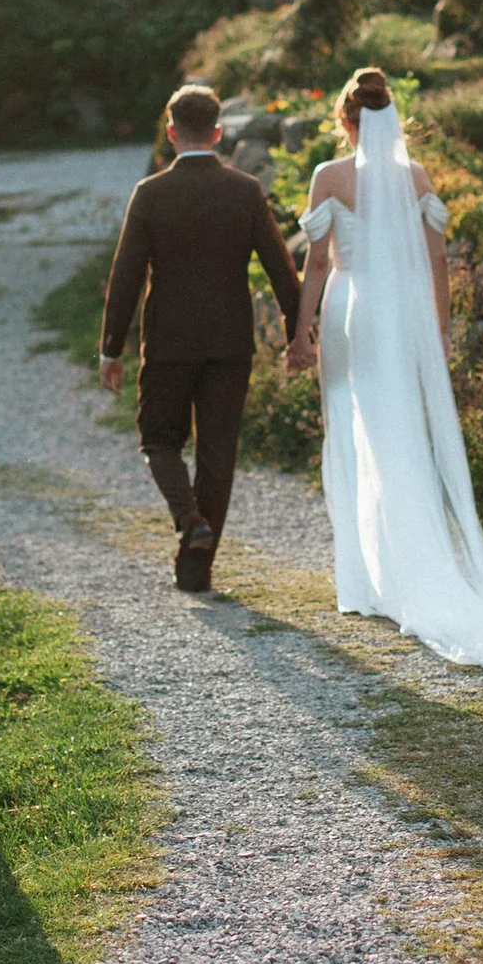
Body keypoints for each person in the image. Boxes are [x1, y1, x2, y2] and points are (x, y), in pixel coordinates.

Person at [285, 67, 483, 672]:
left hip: (353, 309)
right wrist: (439, 327)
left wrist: (300, 332)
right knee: (400, 432)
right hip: (403, 312)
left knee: (353, 431)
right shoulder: (415, 177)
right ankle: (402, 566)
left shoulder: (329, 176)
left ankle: (368, 579)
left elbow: (318, 266)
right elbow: (437, 261)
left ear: (345, 120)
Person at [99, 82, 302, 592]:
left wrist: (110, 349)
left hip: (167, 342)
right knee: (218, 453)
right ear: (217, 133)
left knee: (158, 439)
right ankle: (196, 571)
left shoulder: (150, 194)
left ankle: (189, 520)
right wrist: (298, 333)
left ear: (171, 133)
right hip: (230, 342)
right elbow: (281, 269)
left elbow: (126, 277)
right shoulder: (245, 191)